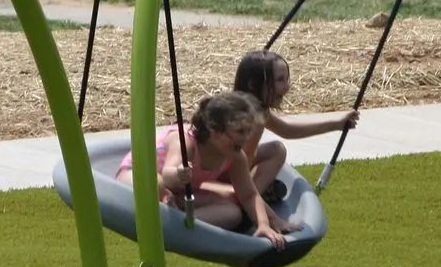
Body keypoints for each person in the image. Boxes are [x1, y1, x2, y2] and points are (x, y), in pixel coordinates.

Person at [117, 91, 286, 250]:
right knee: (157, 184)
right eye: (241, 131)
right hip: (137, 176)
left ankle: (178, 224)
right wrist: (178, 174)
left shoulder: (235, 156)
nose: (247, 138)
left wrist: (264, 224)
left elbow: (249, 194)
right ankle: (169, 215)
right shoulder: (186, 143)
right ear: (215, 131)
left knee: (232, 213)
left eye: (249, 131)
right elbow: (168, 175)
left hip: (177, 195)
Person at [232, 49, 360, 216]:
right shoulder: (243, 116)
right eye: (279, 80)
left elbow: (288, 130)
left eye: (287, 79)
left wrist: (336, 124)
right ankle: (246, 199)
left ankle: (255, 191)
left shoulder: (260, 112)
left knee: (276, 149)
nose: (287, 86)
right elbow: (230, 161)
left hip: (239, 171)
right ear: (253, 85)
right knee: (260, 155)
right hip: (228, 174)